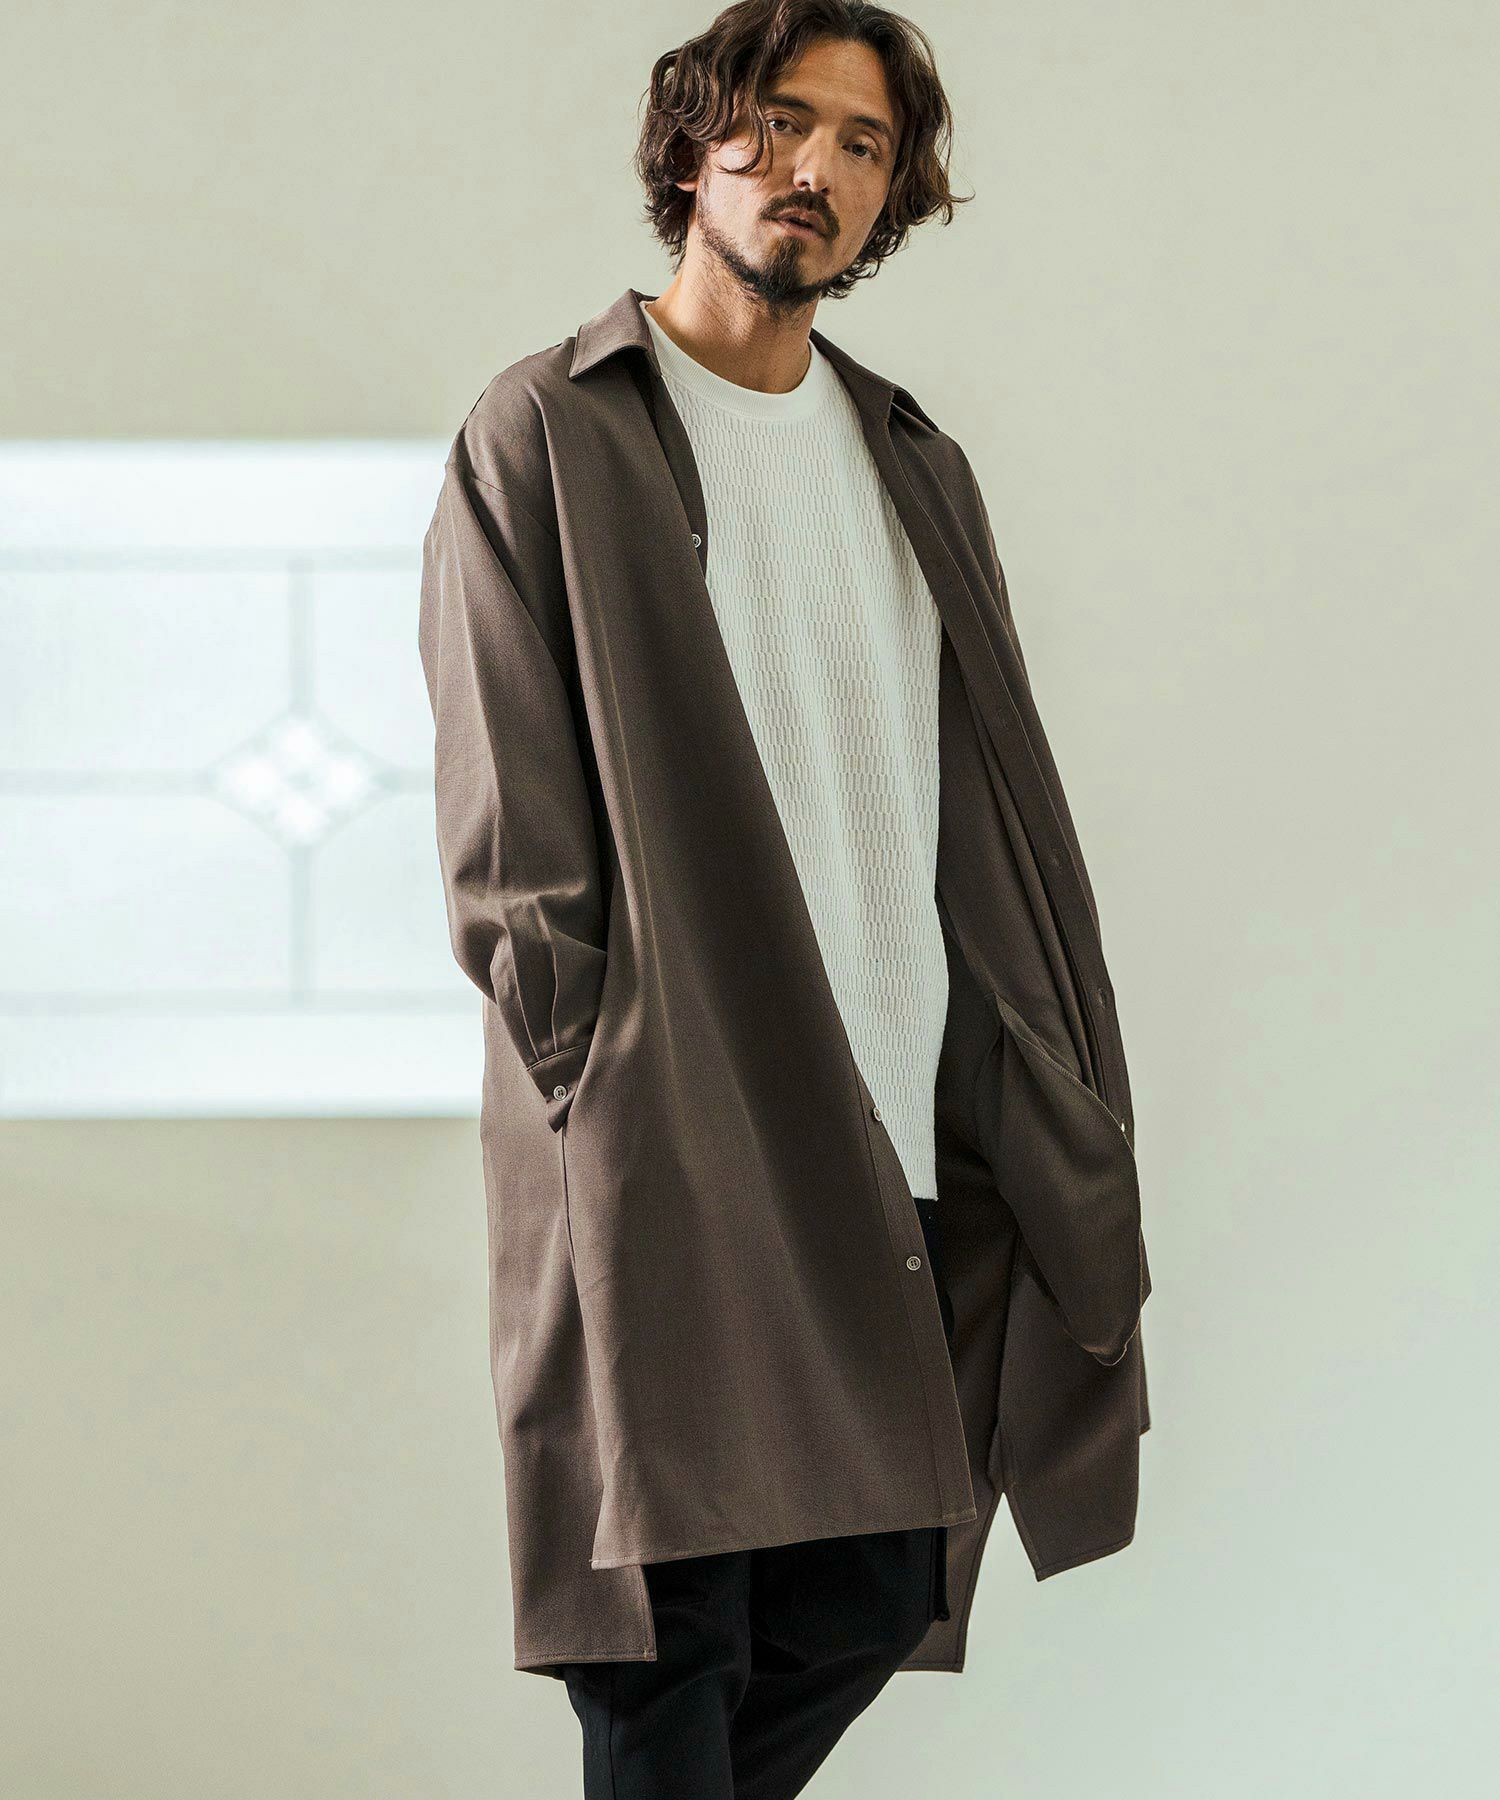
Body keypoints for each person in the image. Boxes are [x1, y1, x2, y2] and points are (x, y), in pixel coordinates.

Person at [419, 2, 1151, 1793]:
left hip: (893, 1126)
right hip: (674, 1131)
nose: (813, 167)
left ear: (894, 196)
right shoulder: (551, 430)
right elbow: (510, 826)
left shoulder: (911, 461)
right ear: (694, 143)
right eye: (779, 121)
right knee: (670, 1640)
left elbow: (976, 789)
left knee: (871, 1586)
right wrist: (604, 1084)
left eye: (863, 144)